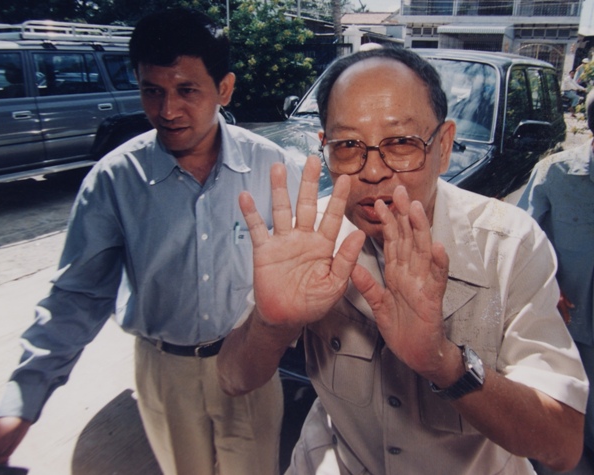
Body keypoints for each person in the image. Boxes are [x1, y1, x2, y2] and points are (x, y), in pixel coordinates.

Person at [0, 8, 300, 475]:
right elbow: (77, 295)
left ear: (224, 89)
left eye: (186, 90)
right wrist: (19, 407)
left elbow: (305, 273)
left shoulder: (274, 168)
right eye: (151, 91)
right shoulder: (115, 180)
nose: (167, 110)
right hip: (164, 375)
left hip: (251, 362)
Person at [217, 47, 588, 474]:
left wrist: (443, 363)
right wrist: (271, 324)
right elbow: (231, 379)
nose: (372, 171)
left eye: (400, 143)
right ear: (325, 149)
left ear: (443, 146)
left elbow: (562, 445)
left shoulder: (507, 246)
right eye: (348, 145)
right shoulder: (306, 241)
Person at [518, 89, 594, 473]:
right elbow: (519, 243)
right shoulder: (555, 174)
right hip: (564, 334)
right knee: (555, 438)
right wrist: (549, 287)